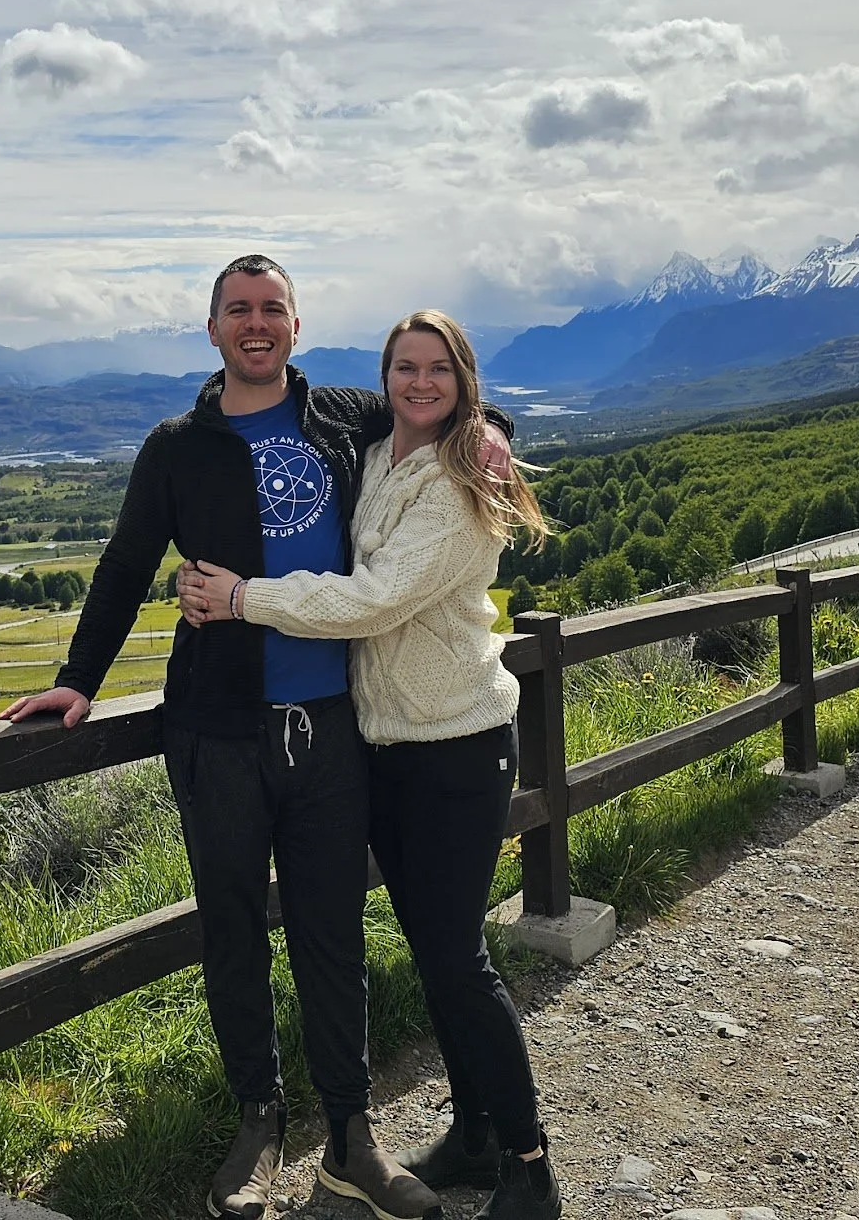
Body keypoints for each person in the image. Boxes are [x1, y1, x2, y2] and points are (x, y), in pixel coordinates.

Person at [2, 257, 509, 1220]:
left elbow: (441, 404)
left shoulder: (342, 416)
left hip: (331, 729)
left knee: (332, 935)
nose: (257, 323)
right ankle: (259, 1122)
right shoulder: (177, 447)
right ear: (213, 329)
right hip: (217, 732)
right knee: (232, 929)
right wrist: (78, 679)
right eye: (238, 310)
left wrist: (492, 437)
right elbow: (124, 564)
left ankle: (353, 1139)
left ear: (296, 325)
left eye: (272, 308)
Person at [177, 309, 562, 1220]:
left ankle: (530, 1163)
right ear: (384, 379)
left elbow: (378, 599)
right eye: (405, 368)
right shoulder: (377, 446)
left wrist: (244, 598)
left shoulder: (464, 480)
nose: (420, 383)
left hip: (457, 745)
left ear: (465, 382)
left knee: (457, 960)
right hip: (386, 745)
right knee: (433, 954)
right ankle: (473, 1135)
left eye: (439, 370)